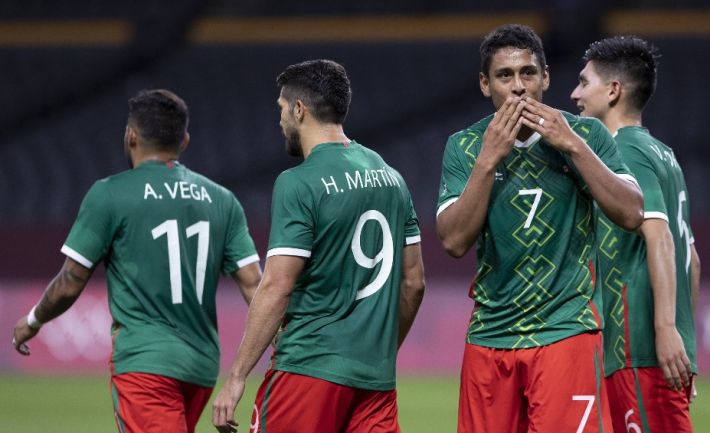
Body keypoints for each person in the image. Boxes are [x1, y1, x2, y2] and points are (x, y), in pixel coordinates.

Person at [12, 89, 263, 433]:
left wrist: (34, 319)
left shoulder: (110, 193)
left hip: (146, 363)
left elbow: (71, 280)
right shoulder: (223, 200)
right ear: (184, 140)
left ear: (130, 135)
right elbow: (254, 284)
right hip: (202, 367)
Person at [436, 24, 644, 433]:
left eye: (528, 73)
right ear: (485, 84)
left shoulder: (587, 134)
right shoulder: (464, 146)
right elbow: (454, 241)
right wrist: (488, 160)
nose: (518, 88)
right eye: (505, 76)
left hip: (565, 332)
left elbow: (632, 213)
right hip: (490, 336)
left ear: (545, 78)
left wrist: (571, 146)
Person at [212, 59, 425, 433]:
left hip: (307, 370)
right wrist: (380, 351)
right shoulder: (392, 177)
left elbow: (277, 286)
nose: (279, 120)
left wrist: (236, 376)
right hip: (374, 381)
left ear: (299, 109)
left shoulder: (299, 183)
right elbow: (414, 282)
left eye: (281, 108)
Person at [571, 36, 700, 433]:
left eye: (584, 82)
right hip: (651, 349)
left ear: (613, 91)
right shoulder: (664, 153)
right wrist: (684, 340)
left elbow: (659, 236)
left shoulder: (625, 150)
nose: (575, 93)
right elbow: (692, 260)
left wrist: (664, 331)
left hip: (638, 346)